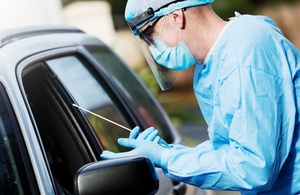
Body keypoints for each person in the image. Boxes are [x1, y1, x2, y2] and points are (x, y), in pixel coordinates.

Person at [101, 0, 300, 194]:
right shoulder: (211, 64)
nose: (152, 47)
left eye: (150, 35)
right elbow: (227, 149)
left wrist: (167, 158)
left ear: (176, 17)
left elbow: (254, 168)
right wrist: (172, 152)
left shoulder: (245, 54)